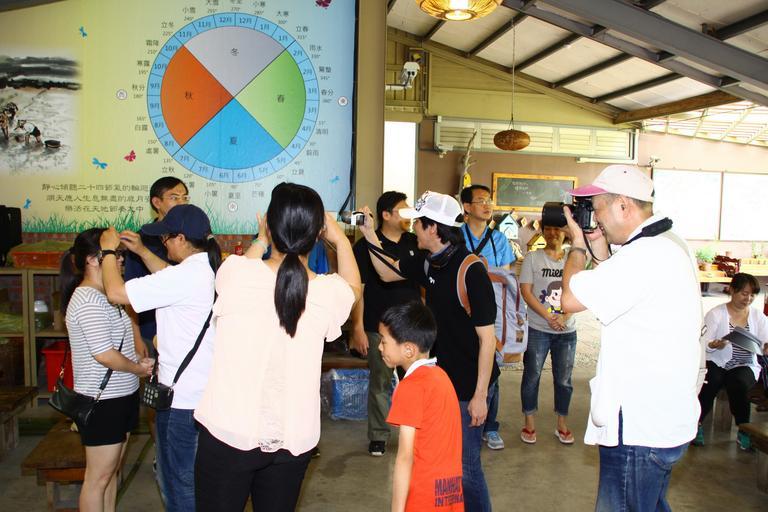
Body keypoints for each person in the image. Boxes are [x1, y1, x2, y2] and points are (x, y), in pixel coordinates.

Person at [193, 183, 360, 512]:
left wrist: (261, 238)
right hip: (293, 439)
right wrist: (340, 239)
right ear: (318, 233)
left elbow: (250, 262)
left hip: (230, 432)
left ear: (270, 225)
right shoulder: (328, 294)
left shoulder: (235, 274)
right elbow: (354, 288)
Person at [560, 165, 702, 511]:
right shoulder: (667, 242)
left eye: (597, 209)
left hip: (640, 427)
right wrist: (599, 245)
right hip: (662, 419)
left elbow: (569, 300)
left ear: (623, 205)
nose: (595, 219)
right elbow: (617, 285)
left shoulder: (645, 255)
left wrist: (578, 246)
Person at [359, 190, 497, 512]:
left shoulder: (470, 271)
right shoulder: (428, 261)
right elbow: (386, 271)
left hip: (468, 384)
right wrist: (367, 233)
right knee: (442, 463)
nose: (413, 229)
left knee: (466, 467)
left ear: (433, 228)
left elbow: (488, 340)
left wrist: (480, 396)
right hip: (440, 381)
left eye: (417, 223)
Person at [99, 204, 220, 512]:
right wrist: (141, 250)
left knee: (180, 484)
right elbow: (168, 275)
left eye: (165, 238)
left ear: (181, 239)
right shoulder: (203, 269)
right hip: (199, 395)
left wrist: (108, 252)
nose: (163, 244)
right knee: (186, 479)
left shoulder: (185, 277)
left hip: (182, 404)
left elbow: (115, 293)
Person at [59, 228, 153, 512]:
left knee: (111, 474)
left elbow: (118, 345)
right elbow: (105, 355)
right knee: (97, 478)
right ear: (91, 259)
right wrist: (137, 369)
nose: (120, 260)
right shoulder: (87, 299)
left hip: (120, 396)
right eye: (112, 254)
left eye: (121, 254)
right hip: (101, 402)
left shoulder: (108, 294)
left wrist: (137, 360)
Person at [351, 191, 422, 457]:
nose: (408, 216)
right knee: (380, 383)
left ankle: (414, 433)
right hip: (377, 327)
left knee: (415, 383)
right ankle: (379, 435)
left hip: (412, 326)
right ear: (386, 215)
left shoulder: (415, 243)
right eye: (402, 211)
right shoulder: (364, 246)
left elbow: (423, 287)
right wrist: (357, 328)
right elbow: (359, 289)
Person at [380, 301, 464, 512]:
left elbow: (405, 457)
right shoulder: (441, 376)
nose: (380, 347)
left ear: (408, 349)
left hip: (423, 495)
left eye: (384, 341)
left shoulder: (411, 387)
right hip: (449, 491)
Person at [460, 184, 515, 451]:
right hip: (460, 310)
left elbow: (505, 277)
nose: (487, 205)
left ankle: (490, 426)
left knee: (491, 368)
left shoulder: (499, 239)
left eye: (489, 201)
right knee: (463, 363)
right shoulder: (456, 236)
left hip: (490, 311)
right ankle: (461, 420)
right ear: (467, 207)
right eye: (481, 200)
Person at [519, 216, 577, 445]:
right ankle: (529, 421)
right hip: (538, 329)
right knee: (532, 375)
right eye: (548, 229)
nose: (552, 233)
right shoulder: (532, 258)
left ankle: (562, 423)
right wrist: (548, 317)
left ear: (565, 232)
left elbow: (580, 291)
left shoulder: (573, 259)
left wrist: (564, 316)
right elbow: (526, 292)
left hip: (567, 330)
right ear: (542, 232)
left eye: (557, 229)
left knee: (564, 379)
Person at [695, 272, 768, 450]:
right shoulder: (716, 314)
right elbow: (705, 343)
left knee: (740, 382)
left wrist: (765, 347)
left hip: (744, 363)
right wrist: (714, 344)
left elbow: (765, 340)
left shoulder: (758, 316)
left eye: (752, 295)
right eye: (744, 293)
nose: (748, 299)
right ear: (732, 290)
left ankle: (744, 429)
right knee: (712, 381)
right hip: (718, 361)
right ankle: (696, 424)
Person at [123, 176, 189, 359]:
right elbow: (129, 292)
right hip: (150, 330)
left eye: (185, 198)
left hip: (183, 329)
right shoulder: (141, 240)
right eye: (174, 197)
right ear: (157, 202)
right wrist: (136, 337)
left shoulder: (191, 236)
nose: (181, 203)